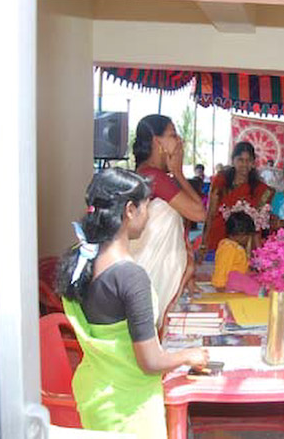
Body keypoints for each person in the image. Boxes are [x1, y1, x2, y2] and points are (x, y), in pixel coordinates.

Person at [56, 168, 209, 436]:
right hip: (130, 405)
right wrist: (189, 355)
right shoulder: (130, 276)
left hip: (95, 394)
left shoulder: (80, 259)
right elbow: (150, 361)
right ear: (129, 210)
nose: (148, 215)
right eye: (146, 206)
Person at [131, 114, 206, 325]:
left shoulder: (150, 173)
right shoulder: (155, 176)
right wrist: (179, 173)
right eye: (173, 135)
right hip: (152, 268)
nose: (179, 141)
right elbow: (199, 213)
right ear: (158, 142)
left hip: (147, 267)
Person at [201, 142, 274, 256]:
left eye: (248, 160)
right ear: (233, 161)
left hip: (244, 242)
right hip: (218, 235)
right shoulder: (221, 181)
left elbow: (257, 223)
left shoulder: (260, 189)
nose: (244, 164)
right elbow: (210, 213)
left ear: (253, 163)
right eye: (240, 160)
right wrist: (204, 242)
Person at [211, 211, 255, 289]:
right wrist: (220, 286)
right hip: (229, 287)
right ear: (241, 234)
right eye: (248, 236)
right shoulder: (228, 248)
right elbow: (222, 269)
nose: (248, 239)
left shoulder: (235, 247)